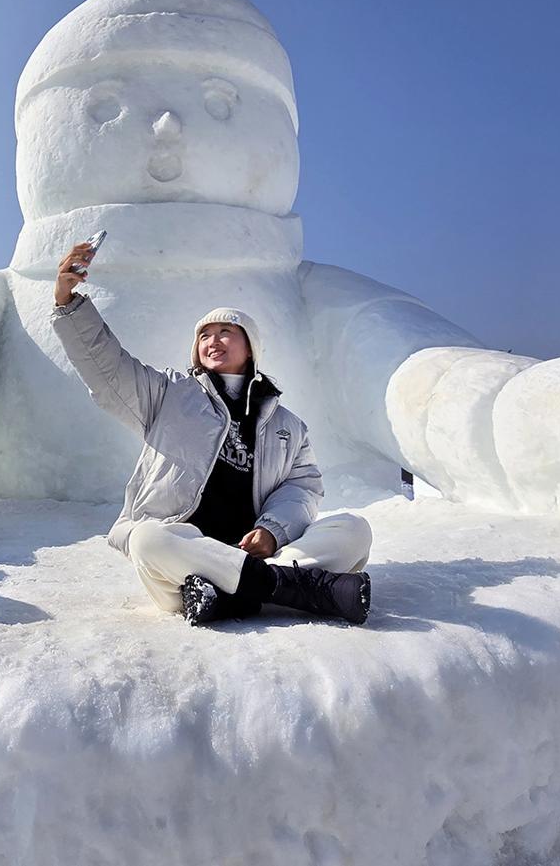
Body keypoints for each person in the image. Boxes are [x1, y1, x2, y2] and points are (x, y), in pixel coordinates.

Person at [50, 240, 372, 625]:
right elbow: (108, 368)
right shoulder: (168, 394)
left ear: (250, 349)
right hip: (185, 559)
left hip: (253, 554)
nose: (212, 341)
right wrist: (69, 304)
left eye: (225, 332)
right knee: (148, 538)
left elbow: (302, 487)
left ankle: (233, 592)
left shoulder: (287, 425)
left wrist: (272, 531)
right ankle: (284, 586)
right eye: (204, 335)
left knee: (354, 529)